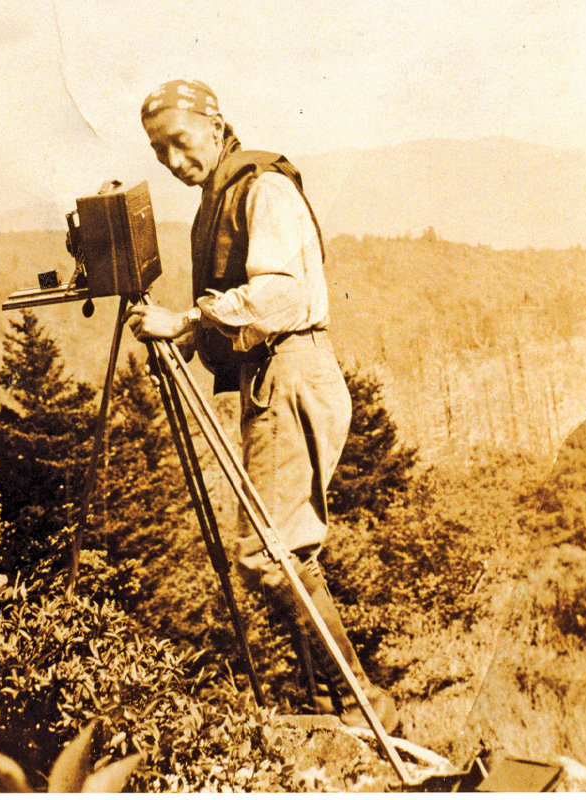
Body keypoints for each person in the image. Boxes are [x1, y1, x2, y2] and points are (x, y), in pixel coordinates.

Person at [126, 79, 399, 733]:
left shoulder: (262, 189)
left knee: (265, 553)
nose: (171, 160)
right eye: (159, 151)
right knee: (288, 551)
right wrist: (185, 327)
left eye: (179, 142)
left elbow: (277, 296)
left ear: (216, 127)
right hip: (271, 373)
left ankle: (365, 702)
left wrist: (188, 318)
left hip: (290, 369)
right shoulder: (226, 194)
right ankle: (332, 704)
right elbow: (241, 311)